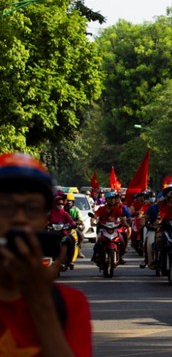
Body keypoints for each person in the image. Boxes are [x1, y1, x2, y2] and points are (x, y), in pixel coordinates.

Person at [0, 152, 92, 356]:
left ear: (44, 220)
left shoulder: (70, 304)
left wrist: (40, 301)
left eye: (32, 208)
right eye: (6, 207)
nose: (20, 218)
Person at [92, 191, 130, 264]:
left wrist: (125, 224)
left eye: (113, 199)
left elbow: (122, 217)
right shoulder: (101, 209)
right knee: (98, 243)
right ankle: (95, 255)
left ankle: (120, 256)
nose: (112, 200)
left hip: (114, 229)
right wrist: (92, 220)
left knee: (122, 241)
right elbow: (95, 216)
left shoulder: (117, 209)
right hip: (103, 229)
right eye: (110, 199)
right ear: (106, 200)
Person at [48, 194, 77, 268]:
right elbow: (45, 221)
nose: (60, 205)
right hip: (53, 234)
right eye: (58, 204)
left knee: (71, 240)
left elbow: (71, 222)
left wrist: (73, 224)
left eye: (62, 204)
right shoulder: (51, 213)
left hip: (63, 234)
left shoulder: (65, 213)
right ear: (55, 204)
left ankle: (70, 260)